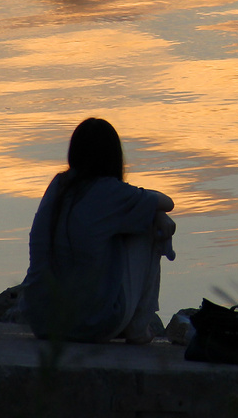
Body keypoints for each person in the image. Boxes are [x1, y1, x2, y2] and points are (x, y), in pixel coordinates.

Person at [19, 117, 176, 343]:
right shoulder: (108, 192)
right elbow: (167, 202)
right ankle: (139, 326)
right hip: (90, 325)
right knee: (148, 222)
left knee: (138, 214)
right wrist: (157, 212)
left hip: (41, 321)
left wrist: (149, 206)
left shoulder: (58, 185)